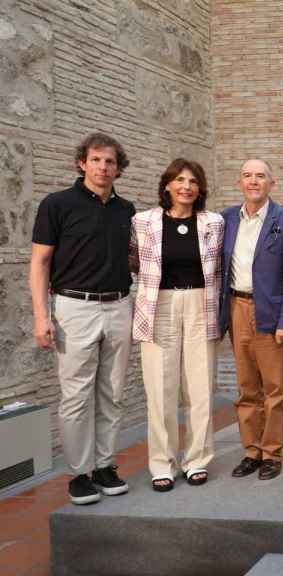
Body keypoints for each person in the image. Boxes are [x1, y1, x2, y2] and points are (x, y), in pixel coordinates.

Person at [30, 132, 135, 505]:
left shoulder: (127, 210)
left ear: (118, 167)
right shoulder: (57, 205)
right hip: (74, 308)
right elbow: (40, 262)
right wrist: (42, 316)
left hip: (120, 305)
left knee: (112, 393)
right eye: (95, 160)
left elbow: (134, 260)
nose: (103, 167)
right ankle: (80, 473)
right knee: (76, 396)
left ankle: (105, 465)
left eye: (109, 161)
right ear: (82, 162)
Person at [129, 159, 224, 491]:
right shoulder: (143, 222)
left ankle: (197, 459)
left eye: (193, 181)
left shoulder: (214, 222)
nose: (187, 186)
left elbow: (221, 269)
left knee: (200, 387)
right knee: (160, 387)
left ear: (200, 188)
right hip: (159, 305)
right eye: (180, 180)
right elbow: (131, 264)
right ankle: (162, 463)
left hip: (201, 304)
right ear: (166, 185)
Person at [219, 159, 283, 481]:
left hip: (271, 312)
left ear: (271, 182)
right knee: (246, 388)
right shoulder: (226, 219)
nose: (253, 181)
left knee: (274, 390)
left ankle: (272, 453)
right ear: (239, 183)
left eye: (260, 176)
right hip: (237, 308)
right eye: (247, 176)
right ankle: (251, 451)